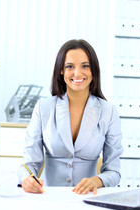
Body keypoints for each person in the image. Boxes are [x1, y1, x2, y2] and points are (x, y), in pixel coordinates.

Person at [18, 39, 123, 195]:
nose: (77, 73)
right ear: (61, 70)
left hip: (89, 199)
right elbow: (28, 164)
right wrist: (27, 179)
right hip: (50, 197)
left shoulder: (109, 112)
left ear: (93, 70)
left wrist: (98, 180)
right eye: (70, 67)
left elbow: (114, 171)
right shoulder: (43, 107)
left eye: (85, 66)